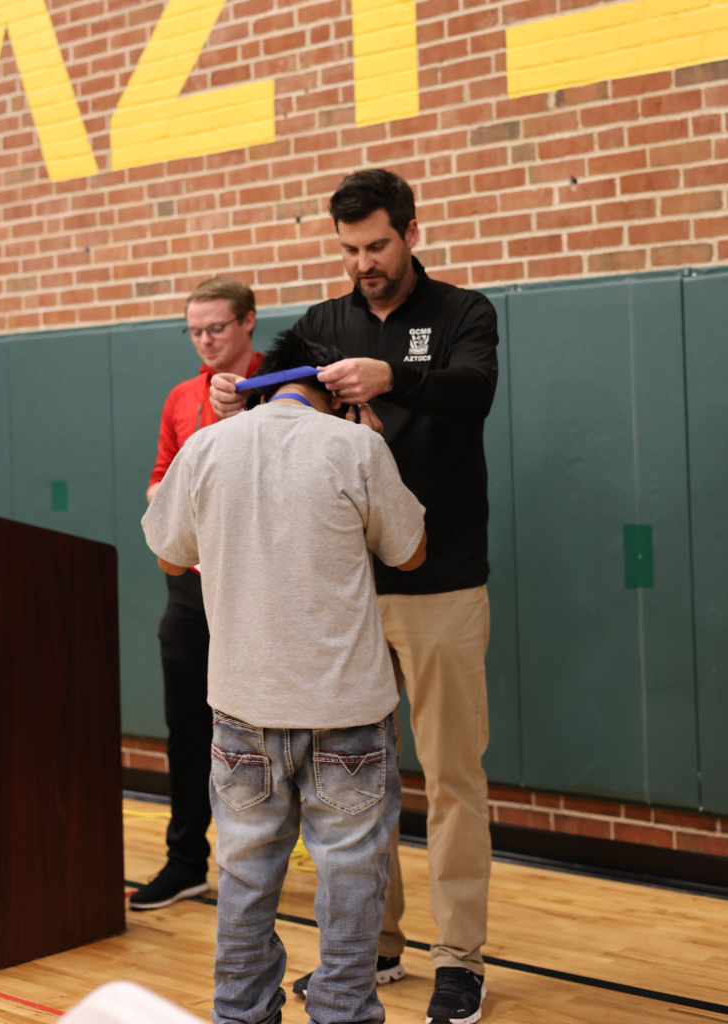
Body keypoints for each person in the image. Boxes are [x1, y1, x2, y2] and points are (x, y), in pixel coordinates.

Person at [210, 169, 499, 1024]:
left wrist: (391, 377)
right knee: (362, 787)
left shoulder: (463, 313)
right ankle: (377, 944)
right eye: (348, 250)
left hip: (442, 581)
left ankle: (460, 960)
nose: (363, 263)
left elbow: (474, 391)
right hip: (347, 596)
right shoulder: (324, 322)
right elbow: (272, 383)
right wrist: (234, 388)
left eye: (376, 246)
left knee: (452, 777)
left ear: (409, 232)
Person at [141, 330, 427, 1024]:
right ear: (335, 387)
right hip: (347, 711)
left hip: (244, 705)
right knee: (352, 879)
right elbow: (411, 552)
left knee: (244, 876)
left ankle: (240, 1013)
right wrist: (370, 441)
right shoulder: (356, 445)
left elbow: (170, 557)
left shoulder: (208, 444)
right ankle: (343, 1012)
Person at [130, 277, 264, 911]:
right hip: (191, 584)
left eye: (216, 328)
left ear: (248, 322)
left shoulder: (281, 388)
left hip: (259, 585)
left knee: (266, 726)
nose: (205, 340)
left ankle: (267, 859)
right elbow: (158, 479)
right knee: (187, 725)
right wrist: (174, 497)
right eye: (195, 331)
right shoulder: (181, 397)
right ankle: (186, 861)